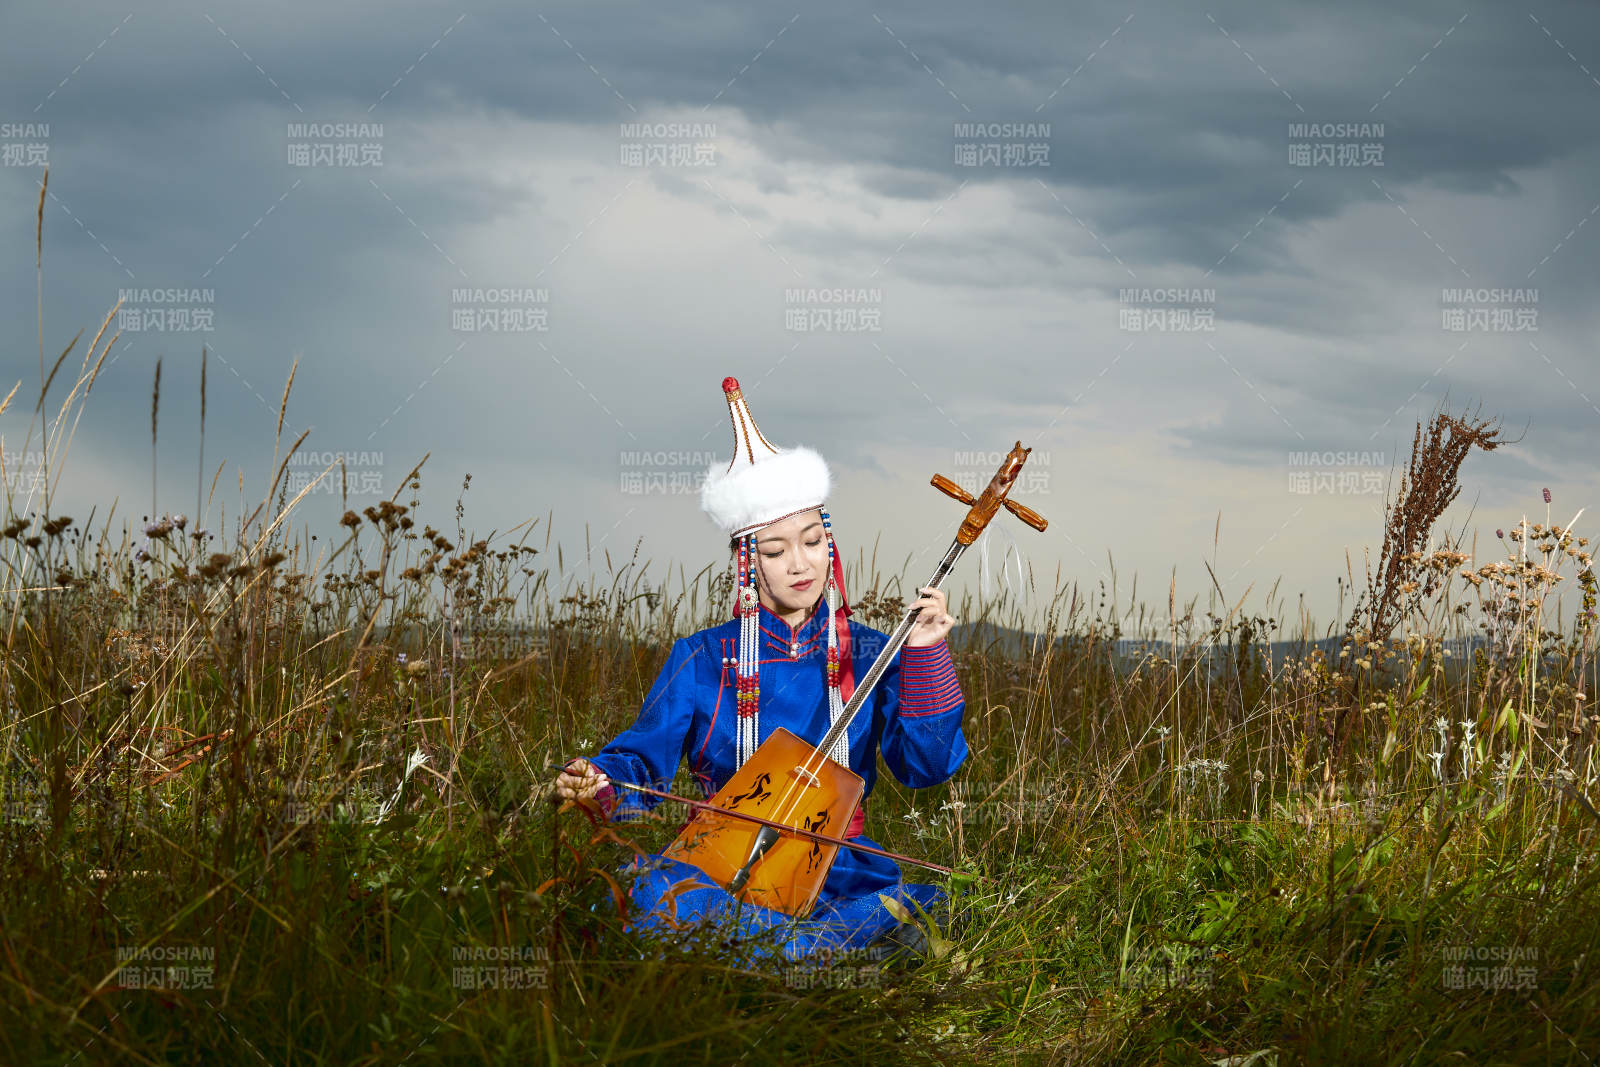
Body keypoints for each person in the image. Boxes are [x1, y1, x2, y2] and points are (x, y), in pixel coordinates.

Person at [552, 376, 967, 962]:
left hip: (838, 872)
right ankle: (823, 958)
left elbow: (925, 769)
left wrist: (924, 652)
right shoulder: (700, 658)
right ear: (747, 565)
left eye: (812, 542)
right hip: (720, 865)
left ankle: (769, 955)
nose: (801, 565)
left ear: (831, 545)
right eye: (775, 551)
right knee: (633, 892)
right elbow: (641, 765)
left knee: (921, 903)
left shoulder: (875, 652)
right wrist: (597, 780)